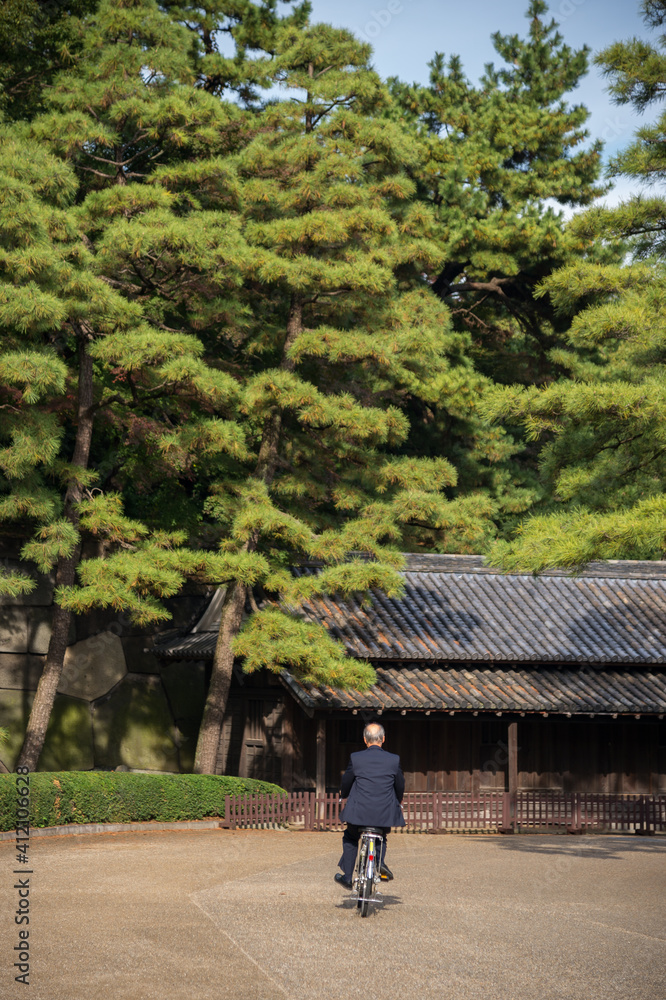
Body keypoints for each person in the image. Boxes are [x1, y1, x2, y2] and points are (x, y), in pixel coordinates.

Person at [334, 722, 405, 890]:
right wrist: (397, 801)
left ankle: (347, 877)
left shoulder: (356, 758)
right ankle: (379, 863)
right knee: (382, 836)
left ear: (365, 740)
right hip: (384, 812)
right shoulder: (394, 760)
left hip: (358, 812)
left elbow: (347, 781)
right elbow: (400, 785)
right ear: (383, 739)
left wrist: (343, 794)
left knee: (351, 838)